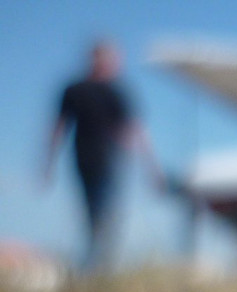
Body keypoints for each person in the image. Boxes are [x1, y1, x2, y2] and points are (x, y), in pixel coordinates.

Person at [41, 40, 164, 273]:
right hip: (84, 157)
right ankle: (96, 267)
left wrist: (153, 170)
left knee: (107, 214)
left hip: (113, 159)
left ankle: (99, 267)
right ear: (96, 59)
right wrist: (48, 165)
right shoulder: (75, 90)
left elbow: (135, 129)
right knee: (92, 213)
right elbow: (59, 126)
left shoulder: (118, 91)